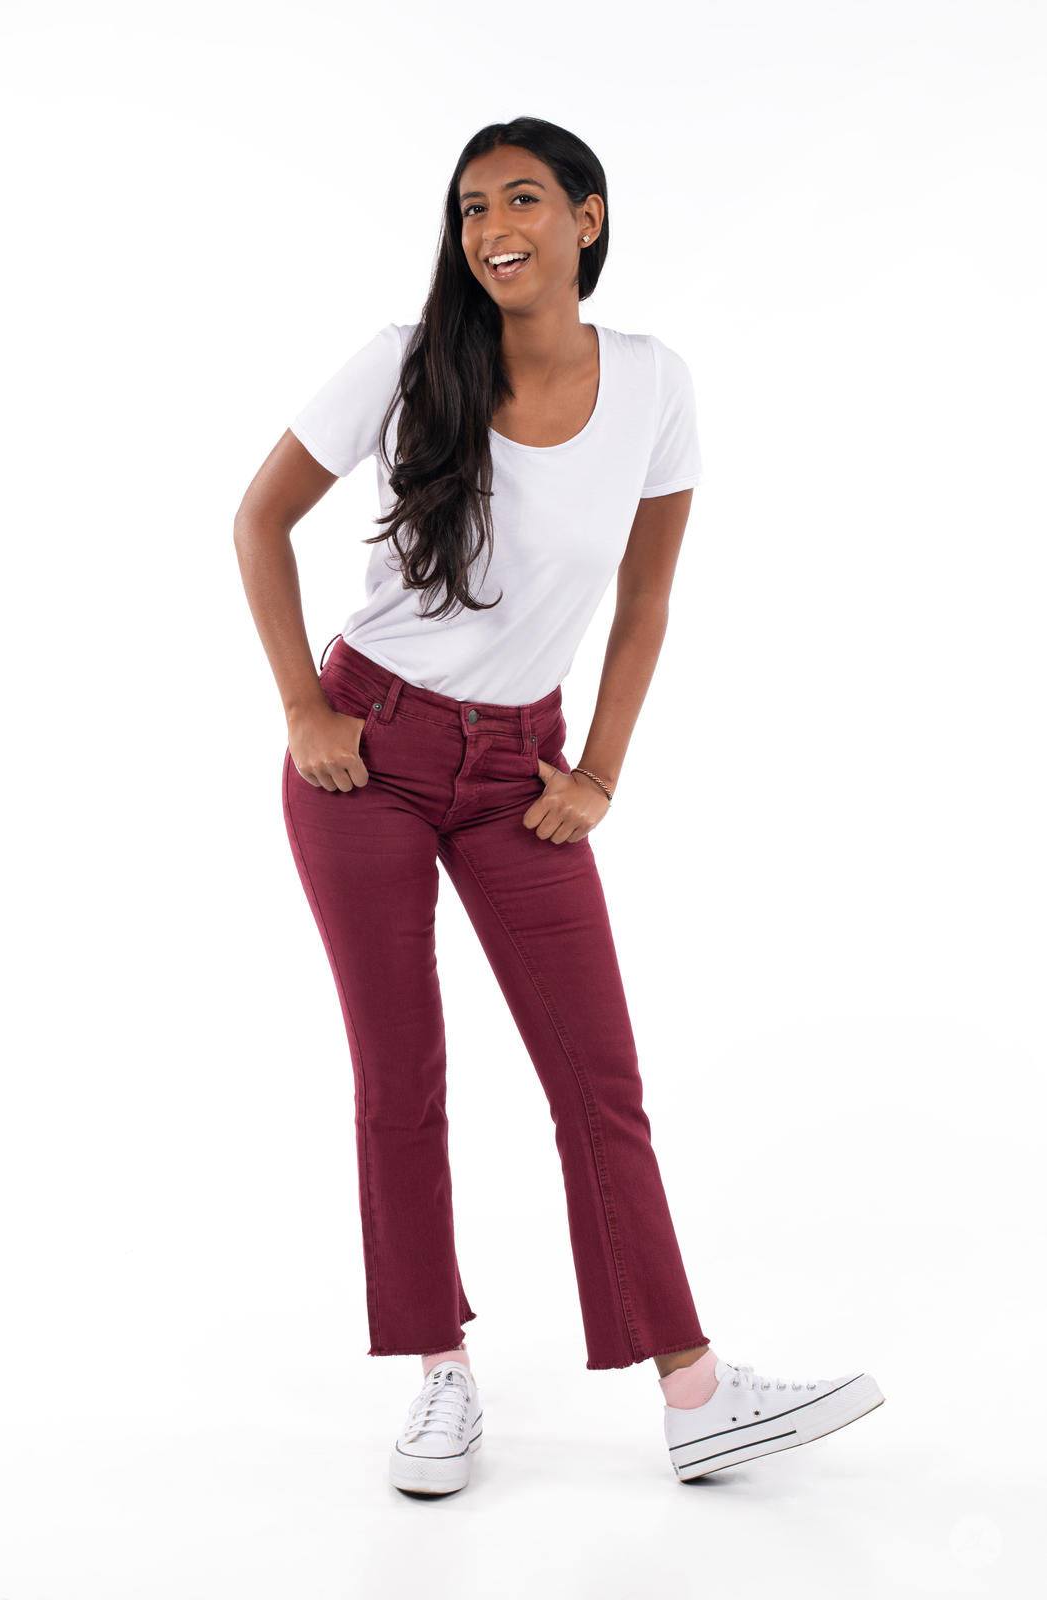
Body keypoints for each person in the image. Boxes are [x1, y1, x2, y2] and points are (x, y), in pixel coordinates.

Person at [233, 116, 884, 1497]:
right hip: (368, 754)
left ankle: (694, 1391)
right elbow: (257, 519)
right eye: (471, 208)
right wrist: (301, 709)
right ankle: (439, 1374)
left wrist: (599, 773)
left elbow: (646, 601)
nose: (491, 229)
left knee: (599, 1079)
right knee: (400, 1077)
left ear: (587, 217)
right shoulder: (406, 362)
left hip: (517, 775)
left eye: (521, 199)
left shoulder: (651, 382)